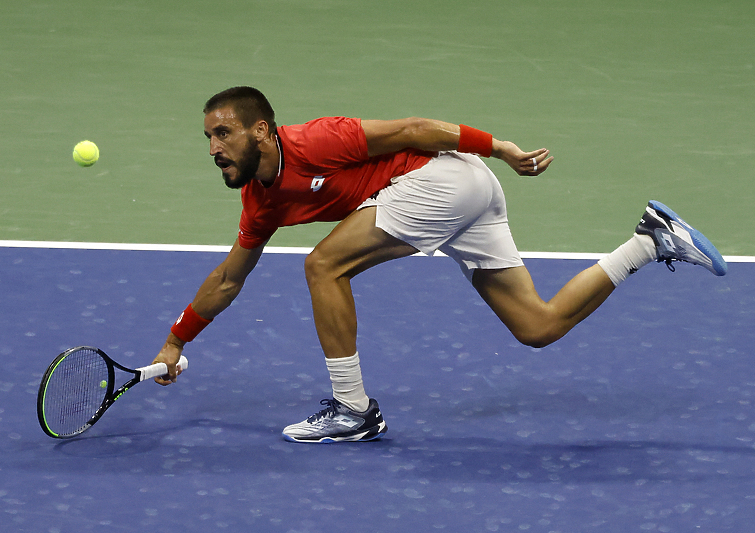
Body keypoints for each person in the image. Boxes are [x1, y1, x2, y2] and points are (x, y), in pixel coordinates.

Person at [152, 86, 728, 443]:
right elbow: (229, 279)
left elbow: (409, 130)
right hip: (459, 195)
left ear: (261, 130)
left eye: (222, 134)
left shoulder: (317, 140)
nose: (213, 149)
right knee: (538, 327)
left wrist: (498, 146)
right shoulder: (261, 201)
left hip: (443, 178)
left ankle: (352, 409)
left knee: (323, 266)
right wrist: (177, 341)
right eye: (207, 138)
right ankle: (650, 242)